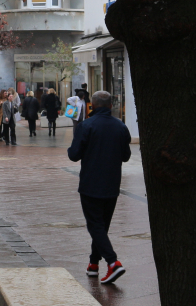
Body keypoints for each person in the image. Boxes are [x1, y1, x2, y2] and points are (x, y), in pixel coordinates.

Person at [67, 91, 132, 285]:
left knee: (95, 225)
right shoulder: (121, 127)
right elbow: (126, 156)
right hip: (112, 184)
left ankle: (113, 262)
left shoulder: (86, 126)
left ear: (92, 106)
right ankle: (93, 264)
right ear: (111, 106)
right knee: (102, 226)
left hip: (90, 184)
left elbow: (74, 155)